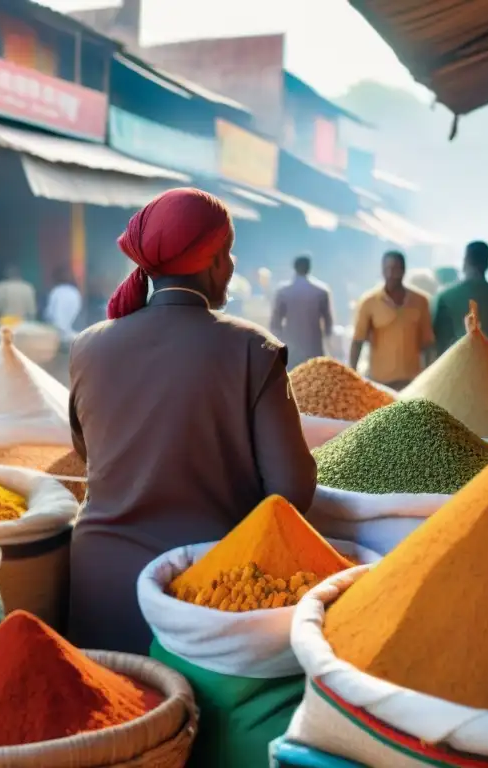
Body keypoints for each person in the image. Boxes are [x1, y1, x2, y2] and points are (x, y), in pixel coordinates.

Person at [66, 188, 316, 654]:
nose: (233, 263)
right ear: (215, 261)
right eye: (230, 251)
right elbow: (291, 491)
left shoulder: (88, 345)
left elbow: (88, 453)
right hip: (202, 596)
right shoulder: (251, 348)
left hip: (97, 588)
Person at [350, 251, 434, 389]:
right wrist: (352, 375)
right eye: (386, 269)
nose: (390, 274)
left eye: (395, 269)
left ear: (403, 270)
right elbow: (357, 341)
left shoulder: (421, 301)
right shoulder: (369, 302)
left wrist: (429, 377)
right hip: (380, 383)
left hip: (412, 383)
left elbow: (428, 344)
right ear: (382, 271)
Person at [433, 241, 488, 363]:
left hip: (455, 370)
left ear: (465, 262)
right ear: (487, 264)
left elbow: (435, 343)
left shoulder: (445, 297)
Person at [270, 254, 334, 369]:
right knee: (313, 379)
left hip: (291, 346)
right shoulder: (321, 291)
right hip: (314, 346)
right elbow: (328, 323)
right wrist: (329, 344)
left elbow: (275, 323)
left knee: (292, 380)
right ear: (309, 268)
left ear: (294, 267)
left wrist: (278, 343)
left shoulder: (284, 291)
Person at [43, 268, 83, 343]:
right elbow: (77, 310)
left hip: (55, 334)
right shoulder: (75, 292)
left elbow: (49, 313)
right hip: (70, 334)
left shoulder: (56, 291)